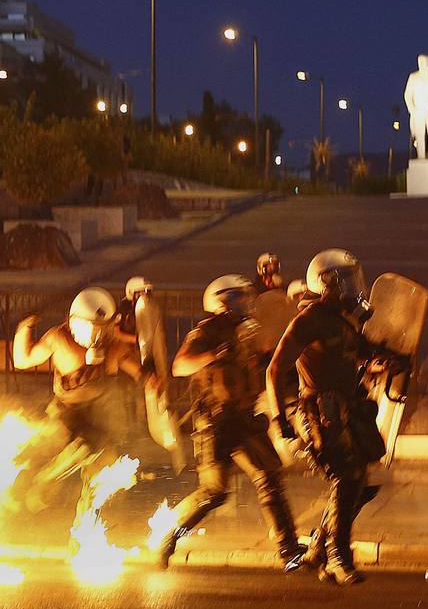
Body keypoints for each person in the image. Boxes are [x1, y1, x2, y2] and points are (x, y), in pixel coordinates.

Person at [155, 275, 303, 571]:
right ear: (220, 302)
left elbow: (259, 366)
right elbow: (180, 365)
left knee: (270, 478)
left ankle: (288, 549)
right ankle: (169, 535)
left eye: (244, 298)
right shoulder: (205, 332)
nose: (244, 303)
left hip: (245, 416)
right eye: (237, 298)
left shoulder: (248, 330)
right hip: (216, 422)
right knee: (215, 492)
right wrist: (214, 354)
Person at [267, 249, 393, 585]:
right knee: (346, 477)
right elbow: (275, 368)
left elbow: (359, 353)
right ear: (327, 284)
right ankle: (337, 557)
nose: (352, 286)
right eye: (345, 280)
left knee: (360, 483)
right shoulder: (309, 319)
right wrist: (280, 417)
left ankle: (319, 546)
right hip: (319, 412)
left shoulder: (343, 318)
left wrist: (382, 360)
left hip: (348, 406)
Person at [10, 287, 152, 519]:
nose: (96, 335)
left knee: (101, 470)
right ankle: (28, 494)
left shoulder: (113, 346)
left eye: (101, 328)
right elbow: (22, 360)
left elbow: (137, 371)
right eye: (92, 328)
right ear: (75, 322)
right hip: (64, 412)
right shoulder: (58, 338)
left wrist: (151, 379)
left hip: (99, 415)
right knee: (55, 450)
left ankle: (85, 529)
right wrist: (24, 327)